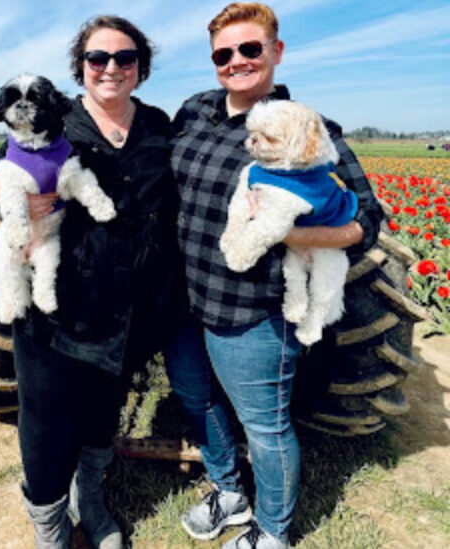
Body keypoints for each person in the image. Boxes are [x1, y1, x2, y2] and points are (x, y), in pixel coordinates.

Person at [166, 3, 384, 549]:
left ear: (276, 52)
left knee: (264, 426)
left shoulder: (306, 128)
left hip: (251, 308)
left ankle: (273, 531)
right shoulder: (193, 112)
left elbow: (366, 220)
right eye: (224, 53)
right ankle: (228, 492)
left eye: (250, 49)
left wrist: (290, 235)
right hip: (180, 298)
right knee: (199, 400)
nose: (236, 61)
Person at [0, 15, 182, 549]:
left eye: (125, 58)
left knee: (101, 412)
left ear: (141, 68)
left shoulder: (160, 126)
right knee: (46, 423)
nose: (111, 68)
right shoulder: (58, 120)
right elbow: (0, 164)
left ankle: (89, 501)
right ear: (81, 67)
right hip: (58, 304)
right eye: (98, 58)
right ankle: (50, 529)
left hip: (126, 306)